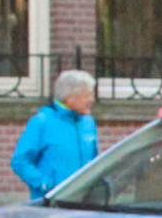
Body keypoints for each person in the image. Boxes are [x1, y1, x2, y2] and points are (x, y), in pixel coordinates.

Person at [11, 69, 99, 201]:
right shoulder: (42, 122)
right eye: (87, 95)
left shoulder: (88, 123)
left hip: (85, 203)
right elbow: (20, 161)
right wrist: (45, 184)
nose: (92, 100)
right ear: (70, 97)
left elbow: (94, 160)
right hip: (52, 206)